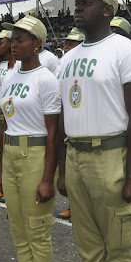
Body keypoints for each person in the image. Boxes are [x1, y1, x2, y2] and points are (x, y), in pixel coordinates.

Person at [58, 0, 131, 262]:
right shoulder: (68, 58)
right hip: (76, 154)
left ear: (108, 10)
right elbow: (64, 117)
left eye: (88, 2)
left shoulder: (126, 51)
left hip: (111, 154)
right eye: (78, 1)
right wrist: (63, 171)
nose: (79, 6)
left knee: (119, 246)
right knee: (88, 246)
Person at [0, 15, 60, 262]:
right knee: (19, 231)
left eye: (20, 40)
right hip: (11, 153)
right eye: (12, 40)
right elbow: (5, 125)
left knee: (37, 232)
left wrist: (48, 178)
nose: (13, 45)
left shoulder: (46, 79)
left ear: (37, 44)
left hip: (35, 154)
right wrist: (1, 168)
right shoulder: (10, 77)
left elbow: (54, 133)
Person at [55, 27, 85, 221]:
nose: (66, 47)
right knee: (69, 166)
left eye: (71, 43)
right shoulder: (64, 63)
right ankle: (73, 206)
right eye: (66, 43)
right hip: (67, 117)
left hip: (83, 121)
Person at [0, 28, 17, 202]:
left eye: (1, 42)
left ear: (10, 44)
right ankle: (1, 184)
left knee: (6, 151)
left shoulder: (17, 65)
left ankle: (6, 185)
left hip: (9, 113)